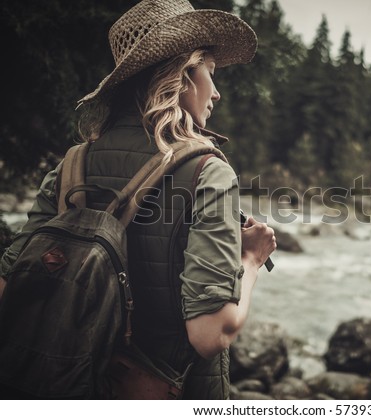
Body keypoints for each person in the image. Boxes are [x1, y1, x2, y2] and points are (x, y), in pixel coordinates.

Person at [0, 0, 276, 399]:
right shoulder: (208, 172)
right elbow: (211, 333)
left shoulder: (71, 166)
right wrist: (249, 260)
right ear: (183, 75)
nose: (216, 93)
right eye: (210, 74)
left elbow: (8, 290)